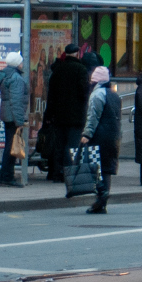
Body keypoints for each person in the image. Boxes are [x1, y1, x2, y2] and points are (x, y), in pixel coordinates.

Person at [44, 44, 91, 182]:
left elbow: (51, 95)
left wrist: (49, 114)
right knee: (72, 147)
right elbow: (84, 93)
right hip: (76, 117)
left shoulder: (58, 70)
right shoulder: (81, 70)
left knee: (59, 146)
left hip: (59, 116)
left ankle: (57, 173)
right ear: (77, 54)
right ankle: (69, 174)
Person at [81, 65, 121, 213]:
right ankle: (102, 203)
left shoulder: (97, 94)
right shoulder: (114, 94)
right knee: (107, 168)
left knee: (94, 166)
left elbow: (93, 117)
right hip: (113, 135)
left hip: (99, 135)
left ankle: (101, 194)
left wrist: (87, 134)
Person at [0, 52, 28, 188]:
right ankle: (7, 178)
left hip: (7, 115)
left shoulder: (5, 75)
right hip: (13, 116)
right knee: (11, 147)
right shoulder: (16, 78)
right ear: (17, 63)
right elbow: (17, 101)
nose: (22, 64)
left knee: (9, 146)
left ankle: (6, 176)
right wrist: (20, 122)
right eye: (21, 62)